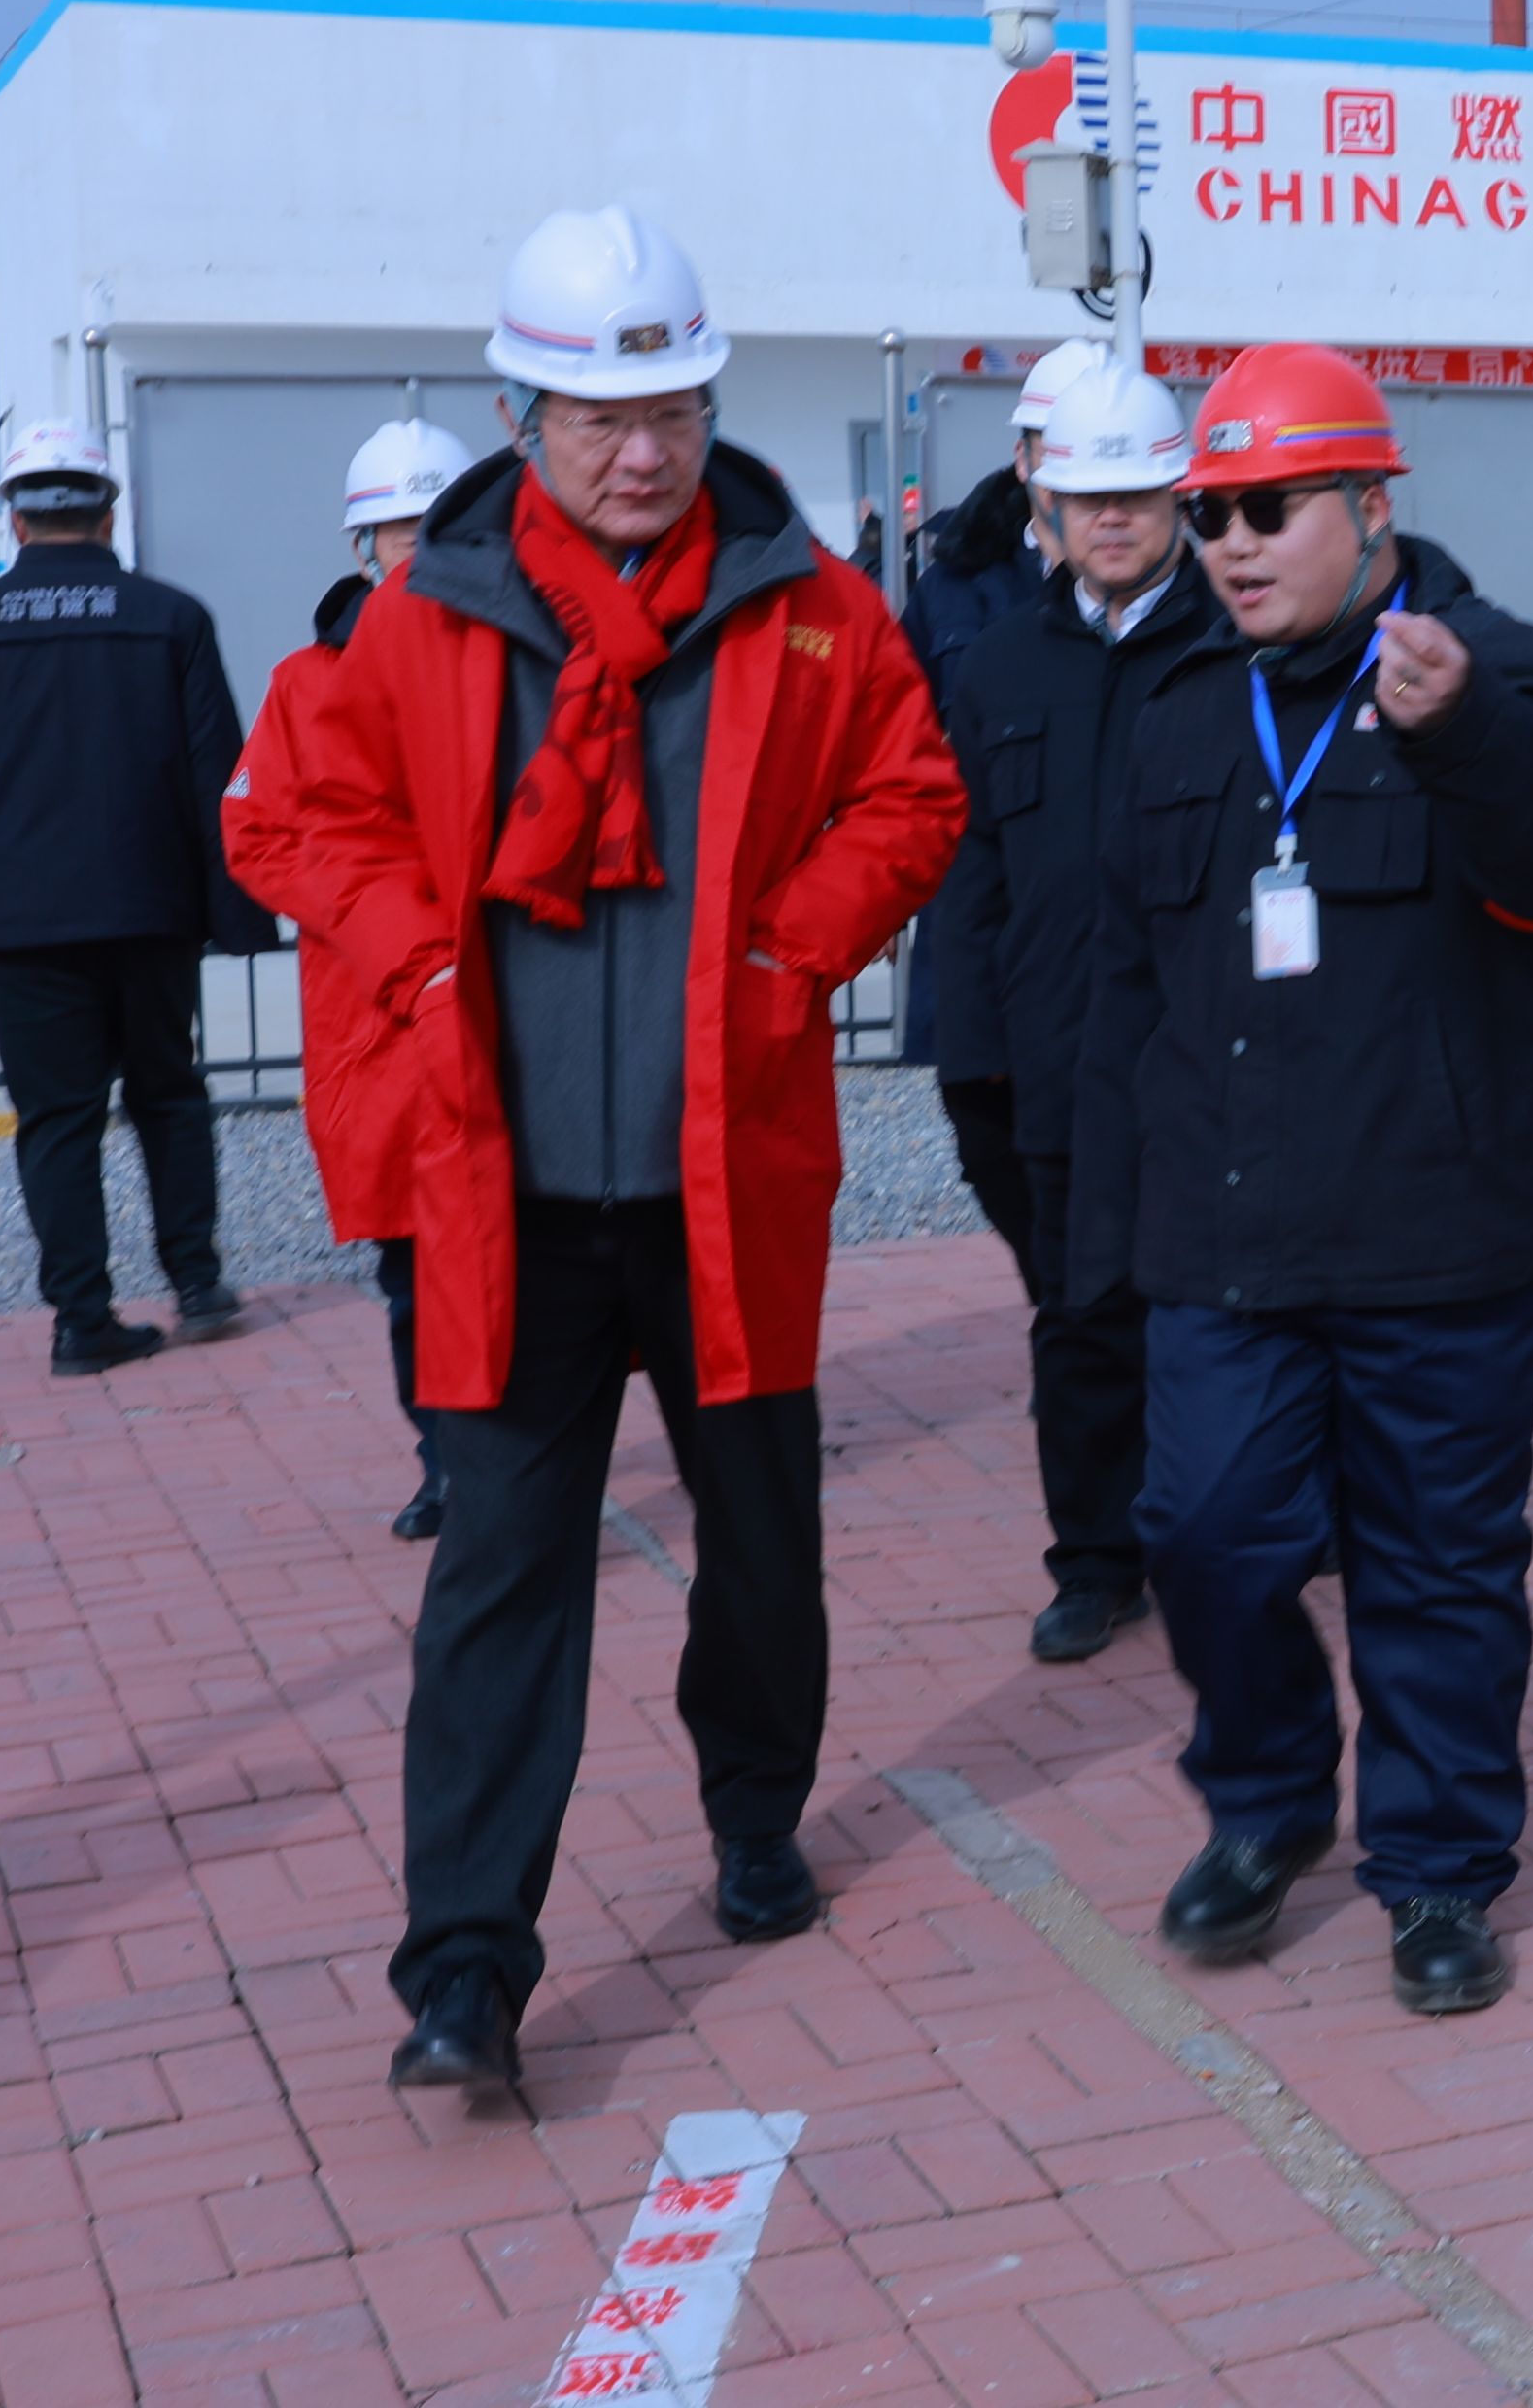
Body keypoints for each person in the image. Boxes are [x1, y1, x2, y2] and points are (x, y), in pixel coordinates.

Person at [294, 208, 963, 2097]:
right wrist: (424, 960)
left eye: (671, 410)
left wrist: (788, 952)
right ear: (524, 418)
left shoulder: (811, 605)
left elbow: (914, 794)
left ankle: (756, 1813)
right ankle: (464, 1969)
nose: (642, 453)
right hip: (506, 1200)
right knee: (500, 1572)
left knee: (759, 1545)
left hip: (725, 1185)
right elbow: (311, 815)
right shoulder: (428, 615)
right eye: (599, 419)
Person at [1076, 343, 1533, 2016]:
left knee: (1437, 1572)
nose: (1234, 544)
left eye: (1271, 509)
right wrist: (1107, 1230)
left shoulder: (1497, 671)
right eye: (1211, 515)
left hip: (1440, 1236)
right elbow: (1128, 988)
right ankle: (1266, 1800)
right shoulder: (1177, 702)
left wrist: (1460, 732)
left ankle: (1439, 1873)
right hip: (1226, 1236)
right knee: (1204, 1534)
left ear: (1373, 506)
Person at [0, 420, 282, 1376]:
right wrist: (240, 914)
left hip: (23, 923)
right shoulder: (171, 618)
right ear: (111, 513)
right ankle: (198, 1284)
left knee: (57, 1119)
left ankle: (82, 1320)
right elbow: (217, 776)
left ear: (15, 519)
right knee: (169, 1094)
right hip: (151, 910)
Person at [938, 355, 1213, 1667]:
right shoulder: (998, 666)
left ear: (1180, 500)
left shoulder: (1239, 647)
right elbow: (970, 875)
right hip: (1054, 1059)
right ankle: (1097, 1562)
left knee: (1233, 1309)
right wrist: (971, 1053)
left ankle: (1256, 1523)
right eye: (1089, 497)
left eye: (1138, 496)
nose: (1112, 519)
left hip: (1212, 1059)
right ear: (1044, 502)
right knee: (1081, 1319)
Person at [220, 419, 471, 1539]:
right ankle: (448, 1459)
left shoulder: (527, 657)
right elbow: (258, 836)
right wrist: (382, 920)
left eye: (435, 527)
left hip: (505, 997)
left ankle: (517, 1460)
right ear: (363, 547)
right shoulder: (304, 686)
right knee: (414, 1262)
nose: (416, 551)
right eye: (397, 532)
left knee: (534, 1256)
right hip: (379, 1017)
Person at [900, 346, 1102, 1267]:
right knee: (999, 1160)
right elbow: (899, 736)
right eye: (1056, 448)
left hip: (1111, 939)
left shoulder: (1182, 585)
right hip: (985, 931)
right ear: (1023, 460)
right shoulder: (957, 581)